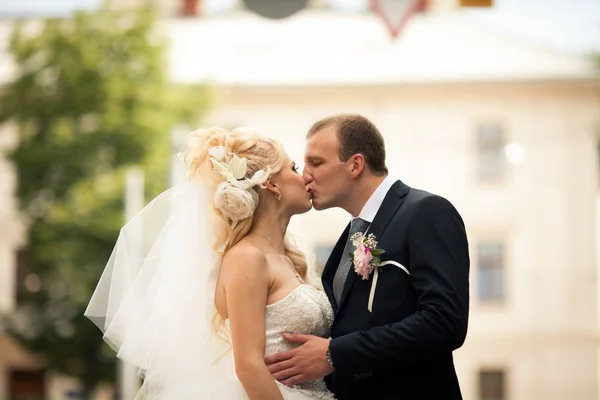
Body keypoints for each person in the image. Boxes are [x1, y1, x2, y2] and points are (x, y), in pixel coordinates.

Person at [85, 127, 335, 399]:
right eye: (294, 168)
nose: (305, 177)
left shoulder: (286, 258)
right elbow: (248, 364)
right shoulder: (247, 257)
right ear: (271, 183)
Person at [265, 114, 470, 399]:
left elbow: (445, 321)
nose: (305, 176)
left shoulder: (426, 211)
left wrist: (334, 354)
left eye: (317, 162)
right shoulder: (350, 233)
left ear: (355, 164)